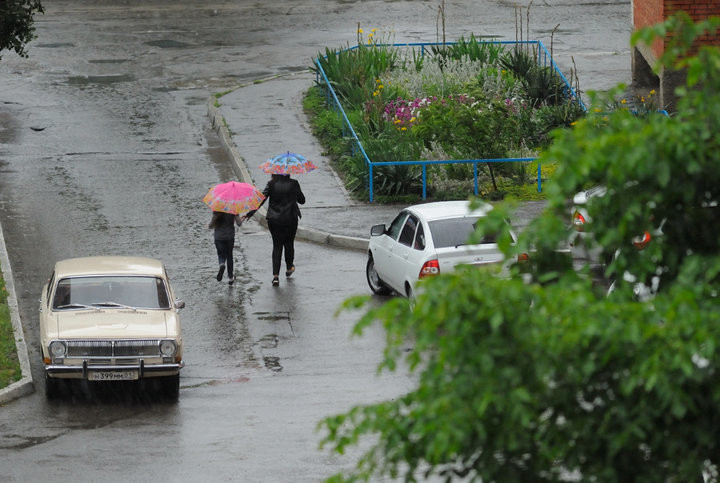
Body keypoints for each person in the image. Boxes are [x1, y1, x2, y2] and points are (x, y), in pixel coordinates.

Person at [246, 173, 305, 287]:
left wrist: (251, 212)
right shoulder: (294, 183)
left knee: (277, 246)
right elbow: (302, 200)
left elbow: (261, 199)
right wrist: (294, 194)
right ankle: (289, 267)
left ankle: (275, 277)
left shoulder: (271, 184)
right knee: (289, 243)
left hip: (274, 219)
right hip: (290, 219)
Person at [209, 211, 243, 285]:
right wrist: (238, 216)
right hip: (229, 237)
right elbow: (239, 223)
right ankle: (230, 277)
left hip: (219, 237)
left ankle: (221, 264)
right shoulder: (233, 209)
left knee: (221, 254)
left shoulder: (217, 210)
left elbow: (211, 225)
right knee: (229, 255)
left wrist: (209, 225)